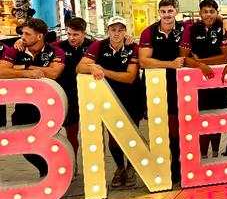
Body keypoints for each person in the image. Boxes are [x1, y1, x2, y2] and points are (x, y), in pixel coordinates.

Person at [77, 16, 142, 188]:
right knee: (113, 138)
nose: (117, 33)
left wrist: (103, 70)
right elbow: (80, 67)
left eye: (120, 30)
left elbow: (130, 77)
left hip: (132, 97)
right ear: (108, 31)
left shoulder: (133, 47)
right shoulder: (99, 45)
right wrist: (92, 67)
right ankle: (120, 167)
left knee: (132, 134)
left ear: (125, 31)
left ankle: (131, 168)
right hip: (108, 98)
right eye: (113, 29)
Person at [5, 18, 65, 177]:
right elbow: (1, 70)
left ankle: (51, 177)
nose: (22, 37)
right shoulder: (15, 49)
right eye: (22, 33)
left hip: (48, 110)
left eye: (27, 33)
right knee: (24, 145)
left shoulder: (56, 52)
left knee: (47, 145)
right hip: (22, 108)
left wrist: (24, 67)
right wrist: (25, 71)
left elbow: (54, 73)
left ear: (39, 36)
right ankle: (46, 174)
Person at [138, 0, 186, 183]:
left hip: (179, 85)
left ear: (176, 12)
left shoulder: (185, 28)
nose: (167, 15)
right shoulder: (148, 32)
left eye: (170, 11)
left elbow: (210, 19)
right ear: (159, 13)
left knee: (176, 125)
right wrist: (170, 64)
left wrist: (225, 21)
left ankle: (177, 162)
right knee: (159, 126)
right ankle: (162, 163)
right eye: (163, 12)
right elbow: (143, 61)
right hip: (155, 86)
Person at [180, 0, 227, 158]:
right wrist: (200, 67)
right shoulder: (190, 29)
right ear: (200, 13)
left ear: (217, 13)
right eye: (205, 11)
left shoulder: (223, 28)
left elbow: (225, 58)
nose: (208, 14)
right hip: (197, 85)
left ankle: (215, 153)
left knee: (217, 119)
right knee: (200, 120)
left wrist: (198, 62)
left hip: (218, 83)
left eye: (212, 11)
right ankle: (202, 155)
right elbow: (183, 58)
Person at [52, 18, 94, 168]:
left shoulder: (94, 45)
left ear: (84, 33)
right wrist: (20, 42)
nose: (71, 38)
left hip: (88, 95)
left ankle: (87, 164)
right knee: (70, 132)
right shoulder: (58, 46)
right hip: (66, 94)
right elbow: (38, 45)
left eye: (75, 35)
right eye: (69, 34)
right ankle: (72, 164)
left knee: (88, 133)